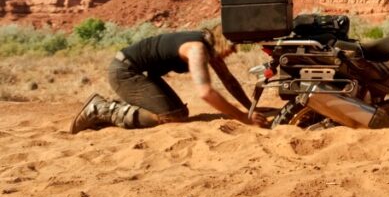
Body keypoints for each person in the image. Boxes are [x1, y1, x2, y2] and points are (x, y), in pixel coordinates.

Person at [70, 26, 268, 133]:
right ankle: (102, 109)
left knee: (180, 112)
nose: (231, 53)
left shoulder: (208, 46)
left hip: (142, 73)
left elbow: (229, 81)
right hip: (125, 71)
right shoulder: (196, 49)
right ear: (221, 41)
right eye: (230, 49)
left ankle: (122, 110)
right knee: (172, 118)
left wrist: (250, 108)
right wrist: (243, 118)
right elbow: (206, 93)